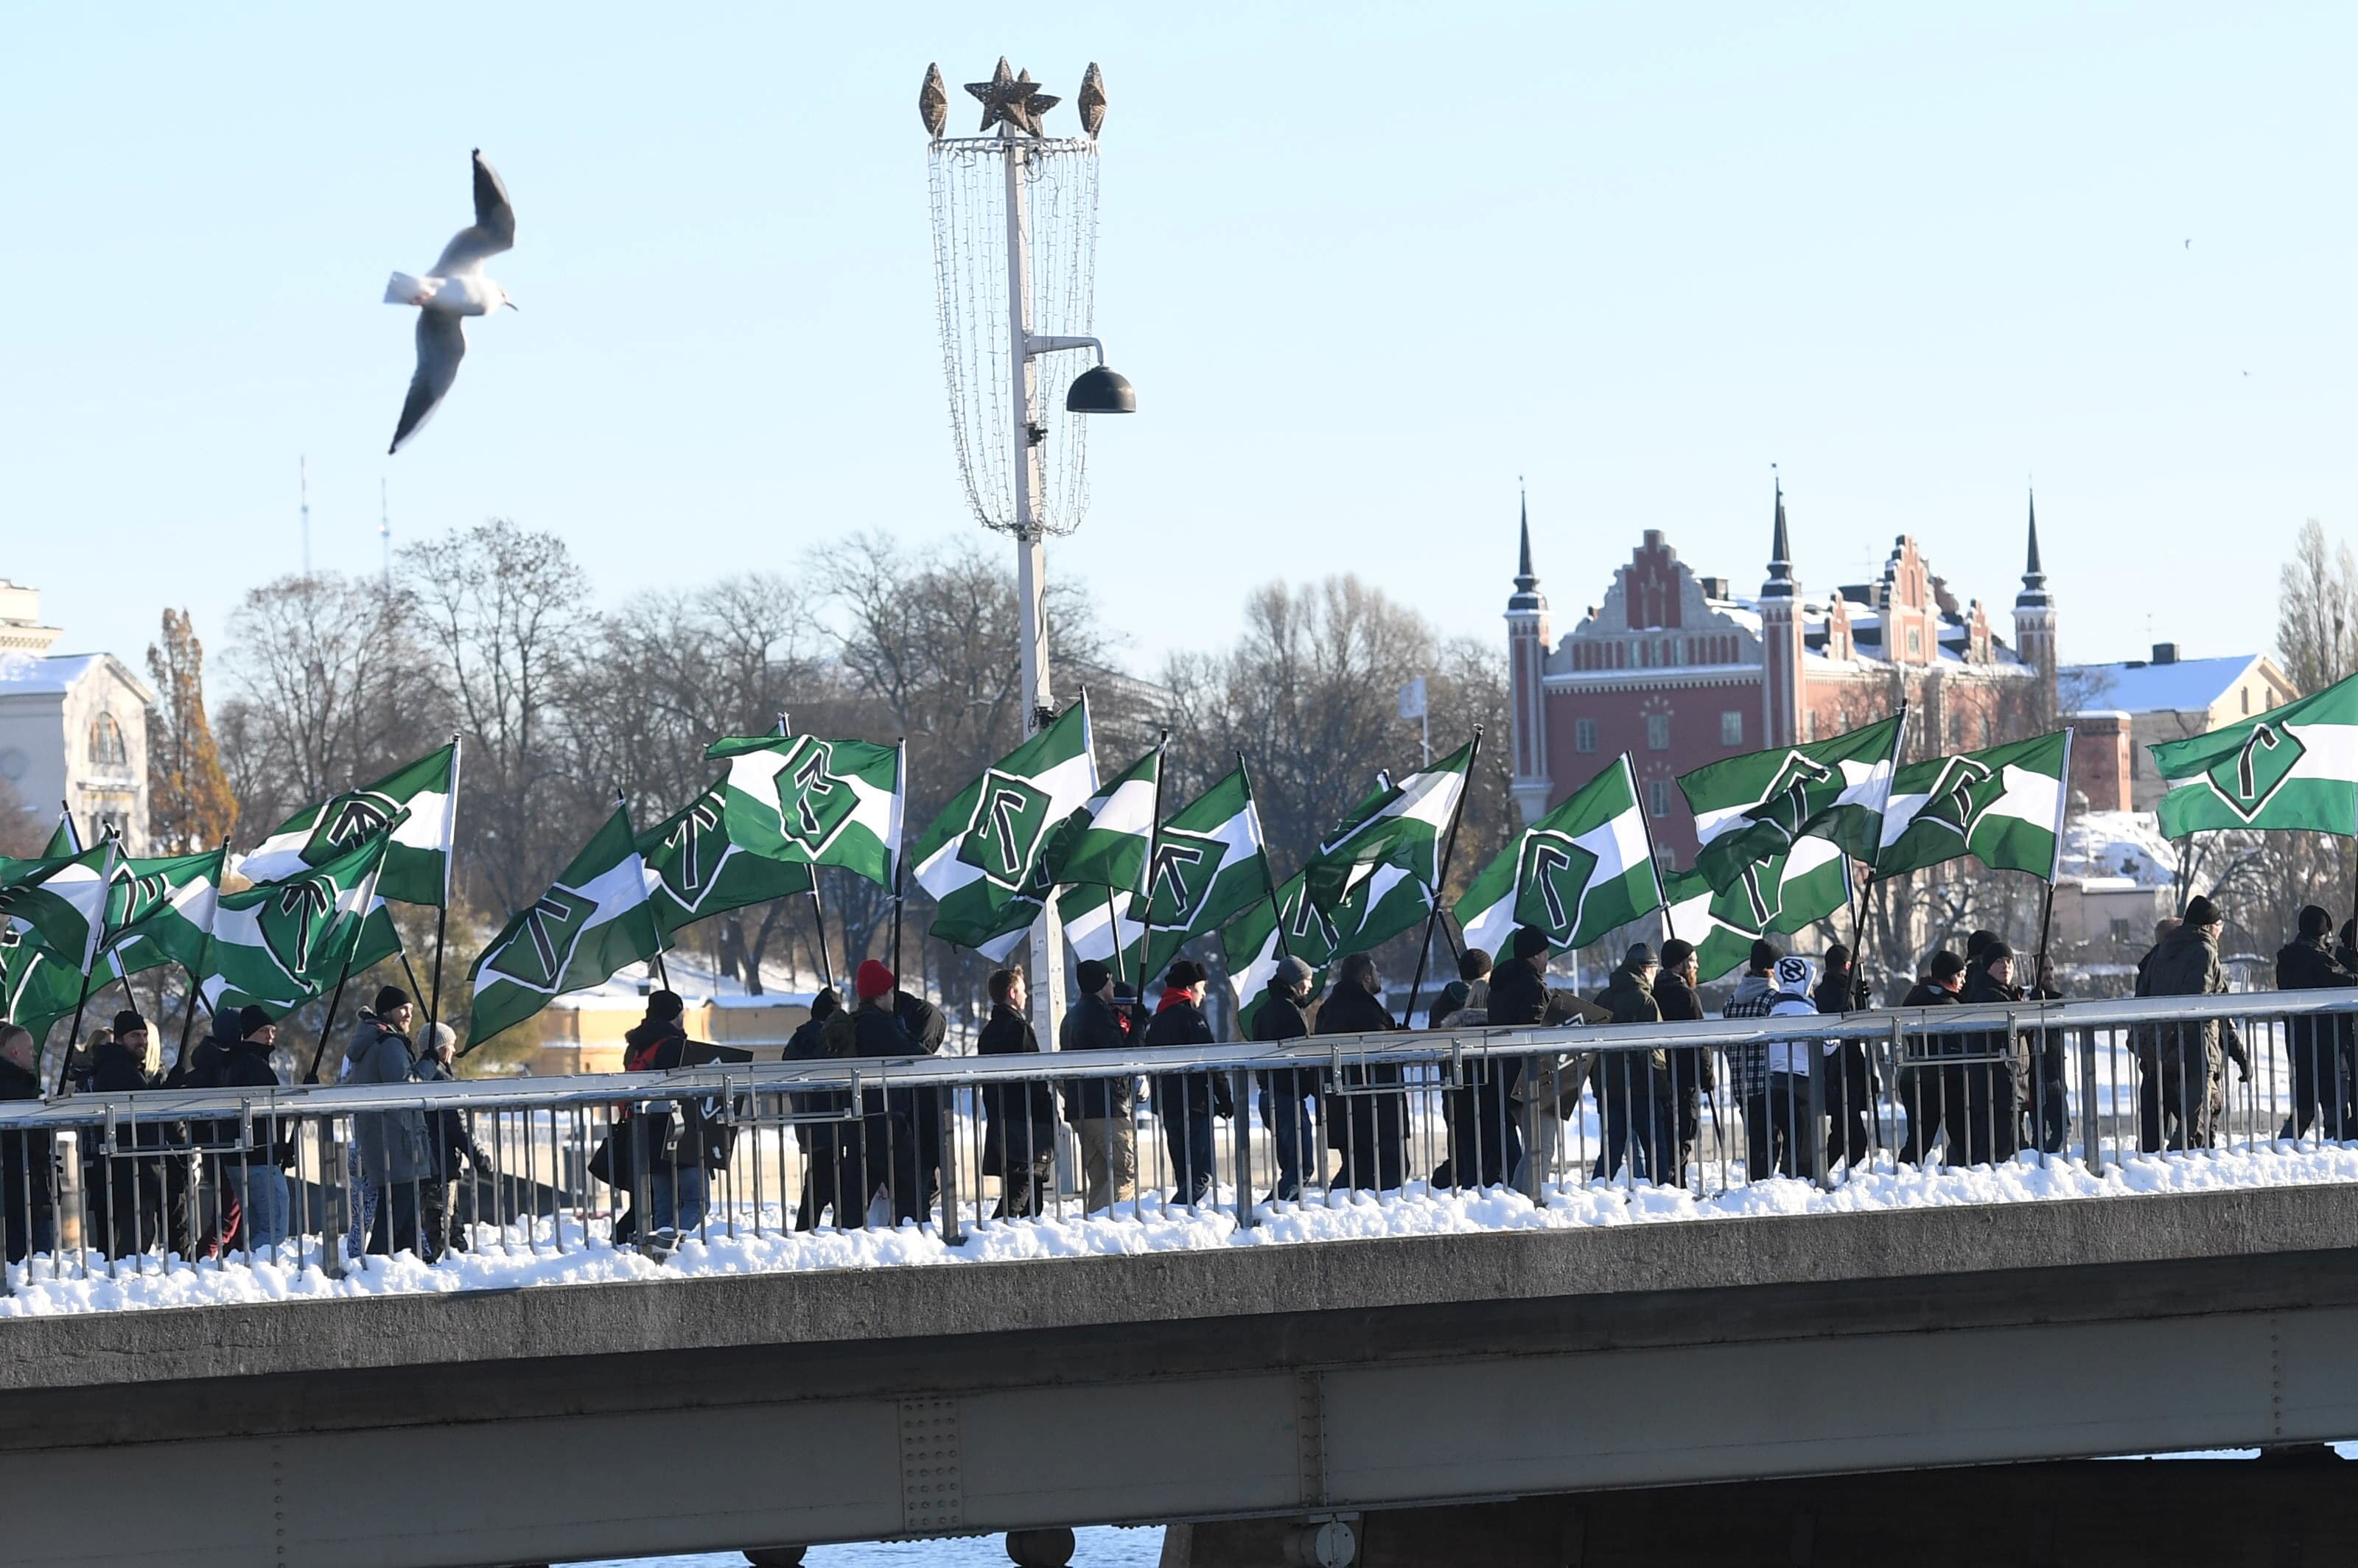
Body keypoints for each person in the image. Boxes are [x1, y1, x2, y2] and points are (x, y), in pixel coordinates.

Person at [822, 961, 926, 1226]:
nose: (894, 997)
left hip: (858, 1121)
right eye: (890, 991)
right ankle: (915, 1235)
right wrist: (903, 1030)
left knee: (856, 1194)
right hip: (887, 1120)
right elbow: (915, 1056)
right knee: (909, 1188)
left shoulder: (855, 1024)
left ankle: (843, 1241)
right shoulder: (878, 1025)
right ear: (880, 994)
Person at [2139, 897, 2247, 1151]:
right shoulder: (2205, 951)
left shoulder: (2159, 953)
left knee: (2161, 1131)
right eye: (2220, 925)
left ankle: (2152, 1171)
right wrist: (2239, 1055)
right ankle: (2182, 1174)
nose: (2221, 931)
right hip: (2195, 1053)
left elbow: (2142, 999)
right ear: (2209, 926)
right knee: (2199, 1125)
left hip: (2159, 1053)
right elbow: (2208, 1008)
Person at [343, 987, 427, 1259]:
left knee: (406, 1206)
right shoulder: (389, 1043)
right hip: (397, 1136)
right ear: (387, 1011)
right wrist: (429, 1064)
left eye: (411, 1010)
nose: (408, 1015)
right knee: (398, 1204)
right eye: (403, 1009)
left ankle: (419, 1260)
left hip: (379, 1135)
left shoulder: (368, 1042)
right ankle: (375, 1263)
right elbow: (404, 1087)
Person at [1318, 952, 1407, 1192]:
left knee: (1358, 1168)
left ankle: (1341, 1208)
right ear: (1366, 977)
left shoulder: (1330, 1007)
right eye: (1376, 972)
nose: (1380, 976)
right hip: (1375, 1106)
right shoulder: (1365, 1009)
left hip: (1344, 1105)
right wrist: (1399, 1042)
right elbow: (1379, 1050)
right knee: (1390, 1169)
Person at [1145, 960, 1231, 1206]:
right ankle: (1175, 1211)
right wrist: (1224, 1098)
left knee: (1184, 1174)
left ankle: (1183, 1217)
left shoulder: (1158, 1019)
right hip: (1194, 1104)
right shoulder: (1192, 1018)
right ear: (1190, 987)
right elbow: (1210, 1060)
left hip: (1167, 1106)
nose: (1203, 994)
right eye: (1201, 987)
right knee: (1201, 1175)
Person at [88, 1010, 172, 1257]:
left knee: (127, 1243)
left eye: (145, 1035)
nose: (143, 1041)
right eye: (135, 1035)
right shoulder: (119, 1069)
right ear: (119, 1039)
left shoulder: (120, 1066)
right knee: (134, 1245)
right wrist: (168, 1090)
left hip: (127, 1169)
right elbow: (146, 1112)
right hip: (131, 1170)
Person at [976, 969, 1057, 1219]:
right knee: (1020, 1196)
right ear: (1012, 994)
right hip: (1026, 1124)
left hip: (1004, 1121)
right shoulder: (1018, 1028)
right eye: (1023, 990)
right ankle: (992, 1242)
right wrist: (1047, 1113)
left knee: (1030, 1198)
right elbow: (1032, 1080)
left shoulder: (989, 1031)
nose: (1027, 995)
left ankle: (1017, 1244)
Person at [1058, 960, 1138, 1213]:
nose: (1113, 985)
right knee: (1124, 1171)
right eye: (1110, 980)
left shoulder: (1071, 1016)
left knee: (1102, 1176)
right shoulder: (1100, 1015)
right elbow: (1123, 1056)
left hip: (1081, 1108)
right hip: (1106, 1106)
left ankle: (1096, 1222)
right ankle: (1113, 1223)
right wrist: (1139, 1027)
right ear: (1101, 983)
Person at [1432, 948, 1514, 1190]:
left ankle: (1466, 1195)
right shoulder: (1494, 1005)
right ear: (1488, 974)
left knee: (1466, 1156)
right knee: (1495, 1158)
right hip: (1490, 1091)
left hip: (1454, 1090)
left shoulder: (1442, 1005)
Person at [219, 1007, 296, 1259]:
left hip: (243, 1156)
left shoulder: (232, 1063)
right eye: (264, 1031)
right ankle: (259, 1269)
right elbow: (266, 1113)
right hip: (260, 1157)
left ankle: (250, 1269)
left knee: (256, 1227)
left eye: (273, 1030)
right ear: (248, 1033)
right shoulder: (253, 1066)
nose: (270, 1036)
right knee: (273, 1230)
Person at [1592, 944, 1671, 1184]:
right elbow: (1653, 1052)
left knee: (1611, 1150)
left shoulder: (1604, 997)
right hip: (1641, 1087)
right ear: (1647, 969)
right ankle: (1661, 1194)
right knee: (1656, 1148)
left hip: (1609, 1087)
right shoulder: (1645, 1001)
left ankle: (1596, 1192)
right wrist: (1662, 1089)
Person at [413, 1021, 491, 1260]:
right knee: (441, 1226)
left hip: (426, 1162)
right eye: (450, 1045)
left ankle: (457, 1261)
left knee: (448, 1222)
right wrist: (477, 1154)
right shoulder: (439, 1078)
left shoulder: (421, 1074)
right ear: (439, 1048)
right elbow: (456, 1125)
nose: (454, 1051)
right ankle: (438, 1269)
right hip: (441, 1164)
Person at [2276, 905, 2355, 1141]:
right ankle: (2335, 1153)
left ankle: (2282, 1150)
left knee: (2305, 1108)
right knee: (2335, 1109)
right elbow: (2348, 981)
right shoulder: (2319, 960)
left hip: (2298, 1042)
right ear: (2323, 933)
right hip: (2328, 1042)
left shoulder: (2287, 958)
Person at [1253, 956, 1323, 1202]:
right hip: (1287, 1097)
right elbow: (1301, 1058)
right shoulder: (1291, 1012)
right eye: (1308, 980)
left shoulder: (1263, 1012)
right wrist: (1316, 1086)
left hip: (1267, 1095)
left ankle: (1280, 1212)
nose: (1311, 986)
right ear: (1296, 981)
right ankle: (1269, 1211)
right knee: (1303, 1168)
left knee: (1291, 1167)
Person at [1953, 940, 2029, 1165]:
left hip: (2006, 1079)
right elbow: (2012, 1028)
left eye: (2009, 961)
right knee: (1998, 1146)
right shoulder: (1988, 995)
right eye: (1998, 962)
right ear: (1987, 966)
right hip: (1996, 1080)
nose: (2005, 966)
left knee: (2008, 1139)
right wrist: (2029, 1011)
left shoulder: (2005, 993)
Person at [1761, 955, 1833, 1179]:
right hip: (1803, 1082)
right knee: (1804, 1145)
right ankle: (1800, 1184)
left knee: (1790, 1141)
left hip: (1776, 1081)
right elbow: (1828, 1046)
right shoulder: (1808, 1012)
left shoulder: (1774, 1011)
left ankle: (1787, 1181)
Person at [782, 987, 846, 1230]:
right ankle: (844, 1229)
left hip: (808, 1120)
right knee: (828, 1180)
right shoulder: (832, 1037)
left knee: (822, 1177)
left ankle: (814, 1228)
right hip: (835, 1119)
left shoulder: (798, 1038)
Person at [1897, 950, 1967, 1163]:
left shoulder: (1917, 995)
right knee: (1962, 1137)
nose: (1964, 980)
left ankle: (1904, 1176)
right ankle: (1956, 1175)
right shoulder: (1946, 1004)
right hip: (1940, 1078)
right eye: (1961, 975)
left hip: (1917, 1075)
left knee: (1919, 1140)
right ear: (1949, 976)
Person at [1721, 941, 1782, 1180]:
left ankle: (1757, 1183)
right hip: (1767, 1082)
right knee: (1771, 1140)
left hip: (1741, 1083)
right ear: (1773, 970)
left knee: (1757, 1141)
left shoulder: (1732, 1001)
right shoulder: (1772, 999)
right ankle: (1762, 1186)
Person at [1654, 939, 1712, 1186]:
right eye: (1692, 961)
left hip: (1660, 1076)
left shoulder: (1654, 993)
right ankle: (1678, 1186)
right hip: (1685, 1077)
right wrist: (1708, 1077)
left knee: (1666, 1135)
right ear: (1680, 965)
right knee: (1683, 1135)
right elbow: (1701, 1042)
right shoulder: (1687, 997)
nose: (1696, 966)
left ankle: (1668, 1184)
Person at [1815, 944, 1877, 1169]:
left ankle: (1818, 1174)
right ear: (1847, 966)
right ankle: (1825, 1176)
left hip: (1841, 1072)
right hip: (1841, 1073)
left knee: (1843, 1135)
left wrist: (1859, 1000)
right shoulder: (1837, 994)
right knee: (1854, 1139)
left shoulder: (1830, 991)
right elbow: (1848, 1032)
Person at [0, 1024, 55, 1264]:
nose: (34, 1054)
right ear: (14, 1052)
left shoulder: (19, 1086)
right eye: (30, 1049)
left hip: (20, 1184)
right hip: (25, 1185)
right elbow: (30, 1142)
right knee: (35, 1264)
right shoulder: (16, 1089)